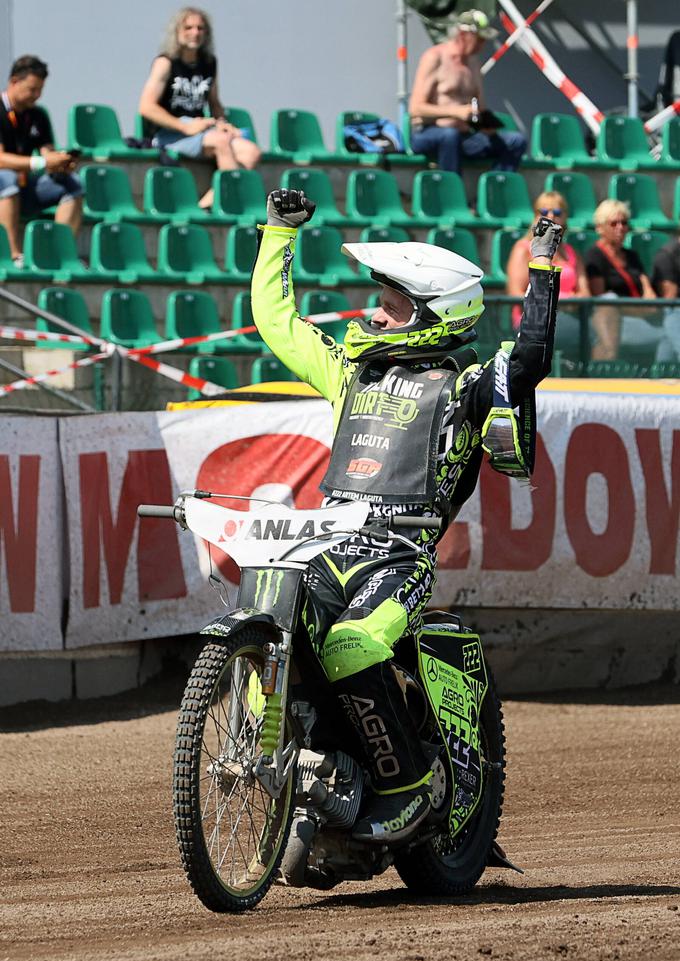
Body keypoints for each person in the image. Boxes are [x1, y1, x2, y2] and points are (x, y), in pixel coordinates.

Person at [251, 187, 562, 844]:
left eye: (392, 306)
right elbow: (277, 324)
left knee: (351, 644)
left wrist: (543, 268)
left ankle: (408, 784)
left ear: (432, 315)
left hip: (401, 558)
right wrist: (279, 232)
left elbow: (530, 358)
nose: (376, 315)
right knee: (277, 619)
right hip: (332, 545)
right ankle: (309, 758)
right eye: (382, 303)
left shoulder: (468, 384)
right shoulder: (350, 371)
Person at [138, 7, 261, 207]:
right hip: (170, 132)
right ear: (177, 31)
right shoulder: (166, 63)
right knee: (222, 143)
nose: (195, 33)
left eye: (200, 28)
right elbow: (146, 107)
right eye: (188, 27)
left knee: (251, 152)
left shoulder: (209, 63)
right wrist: (183, 126)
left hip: (201, 130)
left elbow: (214, 102)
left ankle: (206, 204)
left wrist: (222, 123)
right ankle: (231, 204)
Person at [408, 9, 527, 178]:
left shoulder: (473, 63)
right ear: (463, 35)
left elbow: (479, 106)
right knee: (450, 135)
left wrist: (486, 125)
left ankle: (488, 196)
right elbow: (416, 109)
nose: (482, 45)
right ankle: (452, 197)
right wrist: (456, 112)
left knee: (516, 141)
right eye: (479, 39)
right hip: (429, 133)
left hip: (464, 136)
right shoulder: (435, 57)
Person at [0, 55, 82, 267]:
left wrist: (60, 163)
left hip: (25, 188)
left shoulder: (37, 115)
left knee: (73, 183)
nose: (36, 95)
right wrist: (40, 163)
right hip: (6, 186)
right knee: (6, 178)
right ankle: (12, 255)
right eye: (32, 89)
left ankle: (59, 254)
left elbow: (47, 153)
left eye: (40, 90)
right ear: (14, 81)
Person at [506, 190, 590, 356]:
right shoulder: (522, 248)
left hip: (570, 317)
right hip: (532, 319)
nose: (550, 216)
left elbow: (585, 293)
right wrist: (563, 301)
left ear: (565, 217)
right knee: (592, 332)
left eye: (557, 212)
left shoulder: (571, 252)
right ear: (536, 215)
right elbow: (516, 294)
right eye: (544, 212)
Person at [585, 199, 665, 362]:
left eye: (624, 223)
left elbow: (648, 292)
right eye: (614, 223)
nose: (620, 228)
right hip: (614, 320)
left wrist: (645, 306)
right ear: (600, 228)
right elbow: (602, 302)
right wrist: (642, 308)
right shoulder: (594, 256)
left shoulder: (632, 255)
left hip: (640, 316)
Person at [651, 230, 680, 362]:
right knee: (675, 315)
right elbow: (669, 297)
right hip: (669, 311)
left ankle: (662, 371)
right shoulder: (667, 254)